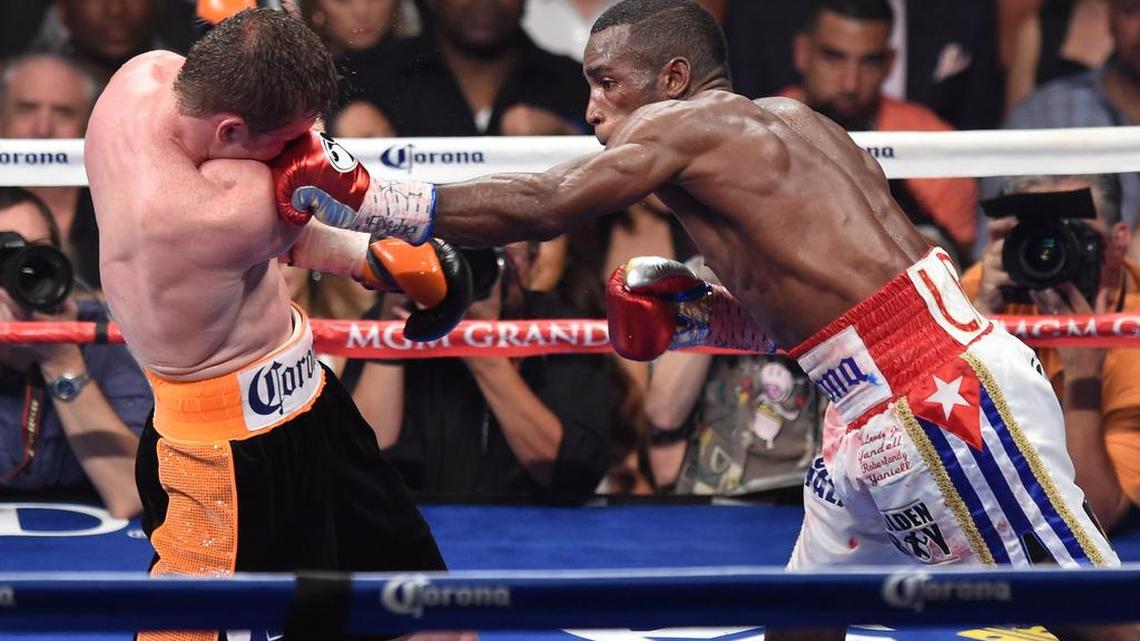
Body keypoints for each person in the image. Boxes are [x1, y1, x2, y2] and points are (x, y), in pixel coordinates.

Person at [287, 1, 1132, 638]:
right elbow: (824, 315)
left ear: (674, 82)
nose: (590, 110)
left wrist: (367, 194)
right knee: (804, 615)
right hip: (867, 402)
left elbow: (546, 205)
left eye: (605, 83)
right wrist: (690, 321)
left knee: (1094, 614)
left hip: (939, 395)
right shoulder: (800, 129)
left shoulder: (688, 127)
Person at [84, 8, 473, 640]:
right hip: (223, 459)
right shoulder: (216, 213)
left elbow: (290, 228)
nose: (298, 147)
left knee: (428, 617)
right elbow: (317, 217)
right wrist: (386, 247)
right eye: (287, 139)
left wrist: (376, 263)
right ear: (233, 129)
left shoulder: (143, 78)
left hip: (311, 400)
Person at [348, 241, 616, 499]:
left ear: (528, 262)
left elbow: (572, 474)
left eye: (492, 256)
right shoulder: (396, 321)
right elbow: (358, 462)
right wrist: (390, 335)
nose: (465, 274)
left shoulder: (558, 329)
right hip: (415, 526)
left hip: (534, 531)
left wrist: (480, 349)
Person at [963, 173, 1140, 533]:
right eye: (1037, 231)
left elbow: (1097, 518)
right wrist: (975, 328)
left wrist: (1083, 376)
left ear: (1119, 241)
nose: (1050, 248)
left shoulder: (1134, 328)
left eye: (1073, 233)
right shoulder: (986, 288)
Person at [779, 0, 979, 259]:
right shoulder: (756, 128)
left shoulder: (935, 146)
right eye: (833, 57)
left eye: (869, 62)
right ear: (802, 52)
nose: (850, 83)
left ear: (890, 63)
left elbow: (955, 271)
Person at [0, 187, 151, 519]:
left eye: (32, 256)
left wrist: (61, 359)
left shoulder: (99, 332)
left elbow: (132, 493)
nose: (16, 275)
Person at [643, 258, 820, 495]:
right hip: (716, 487)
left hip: (810, 489)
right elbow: (664, 413)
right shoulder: (695, 277)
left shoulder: (825, 276)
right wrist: (712, 286)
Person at [0, 52, 104, 289]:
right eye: (26, 109)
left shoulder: (119, 211)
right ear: (1, 119)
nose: (43, 129)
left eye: (63, 112)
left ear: (88, 126)